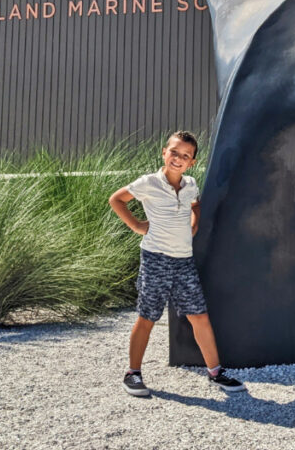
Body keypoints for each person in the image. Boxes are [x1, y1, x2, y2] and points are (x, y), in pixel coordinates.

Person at [109, 131, 246, 397]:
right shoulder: (148, 183)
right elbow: (116, 200)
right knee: (147, 317)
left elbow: (195, 204)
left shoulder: (191, 184)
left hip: (184, 261)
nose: (178, 159)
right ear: (164, 152)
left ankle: (215, 372)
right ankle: (133, 373)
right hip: (156, 260)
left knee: (200, 317)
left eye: (185, 156)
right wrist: (136, 225)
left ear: (191, 162)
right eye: (174, 152)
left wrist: (194, 225)